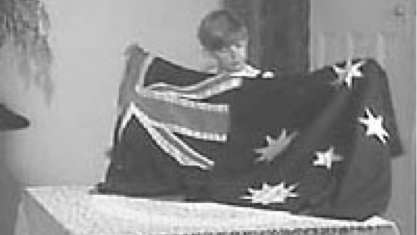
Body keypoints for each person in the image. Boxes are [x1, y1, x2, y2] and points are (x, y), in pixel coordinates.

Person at [97, 9, 401, 221]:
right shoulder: (202, 87)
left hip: (261, 176)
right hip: (223, 174)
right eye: (225, 50)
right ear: (208, 53)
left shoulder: (265, 82)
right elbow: (162, 102)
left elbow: (298, 104)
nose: (235, 55)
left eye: (239, 46)